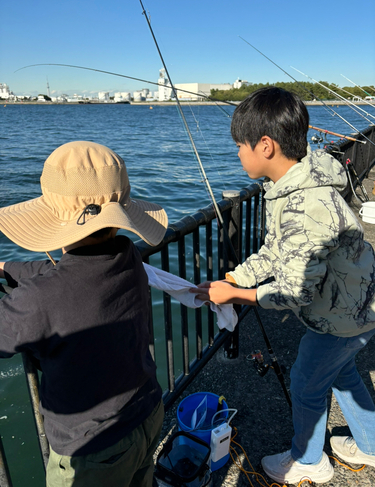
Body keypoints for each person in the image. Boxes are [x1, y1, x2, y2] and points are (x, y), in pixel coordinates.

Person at [192, 87, 375, 485]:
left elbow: (296, 293)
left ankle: (308, 462)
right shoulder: (293, 187)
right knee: (343, 374)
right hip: (356, 304)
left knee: (306, 384)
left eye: (240, 146)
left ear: (266, 146)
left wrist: (237, 296)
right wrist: (236, 277)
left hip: (341, 317)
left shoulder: (304, 204)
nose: (237, 154)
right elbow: (277, 250)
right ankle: (370, 444)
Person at [0, 141, 168, 487]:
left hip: (93, 451)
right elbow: (66, 278)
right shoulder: (128, 257)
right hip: (147, 413)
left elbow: (51, 288)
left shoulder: (40, 299)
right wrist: (6, 268)